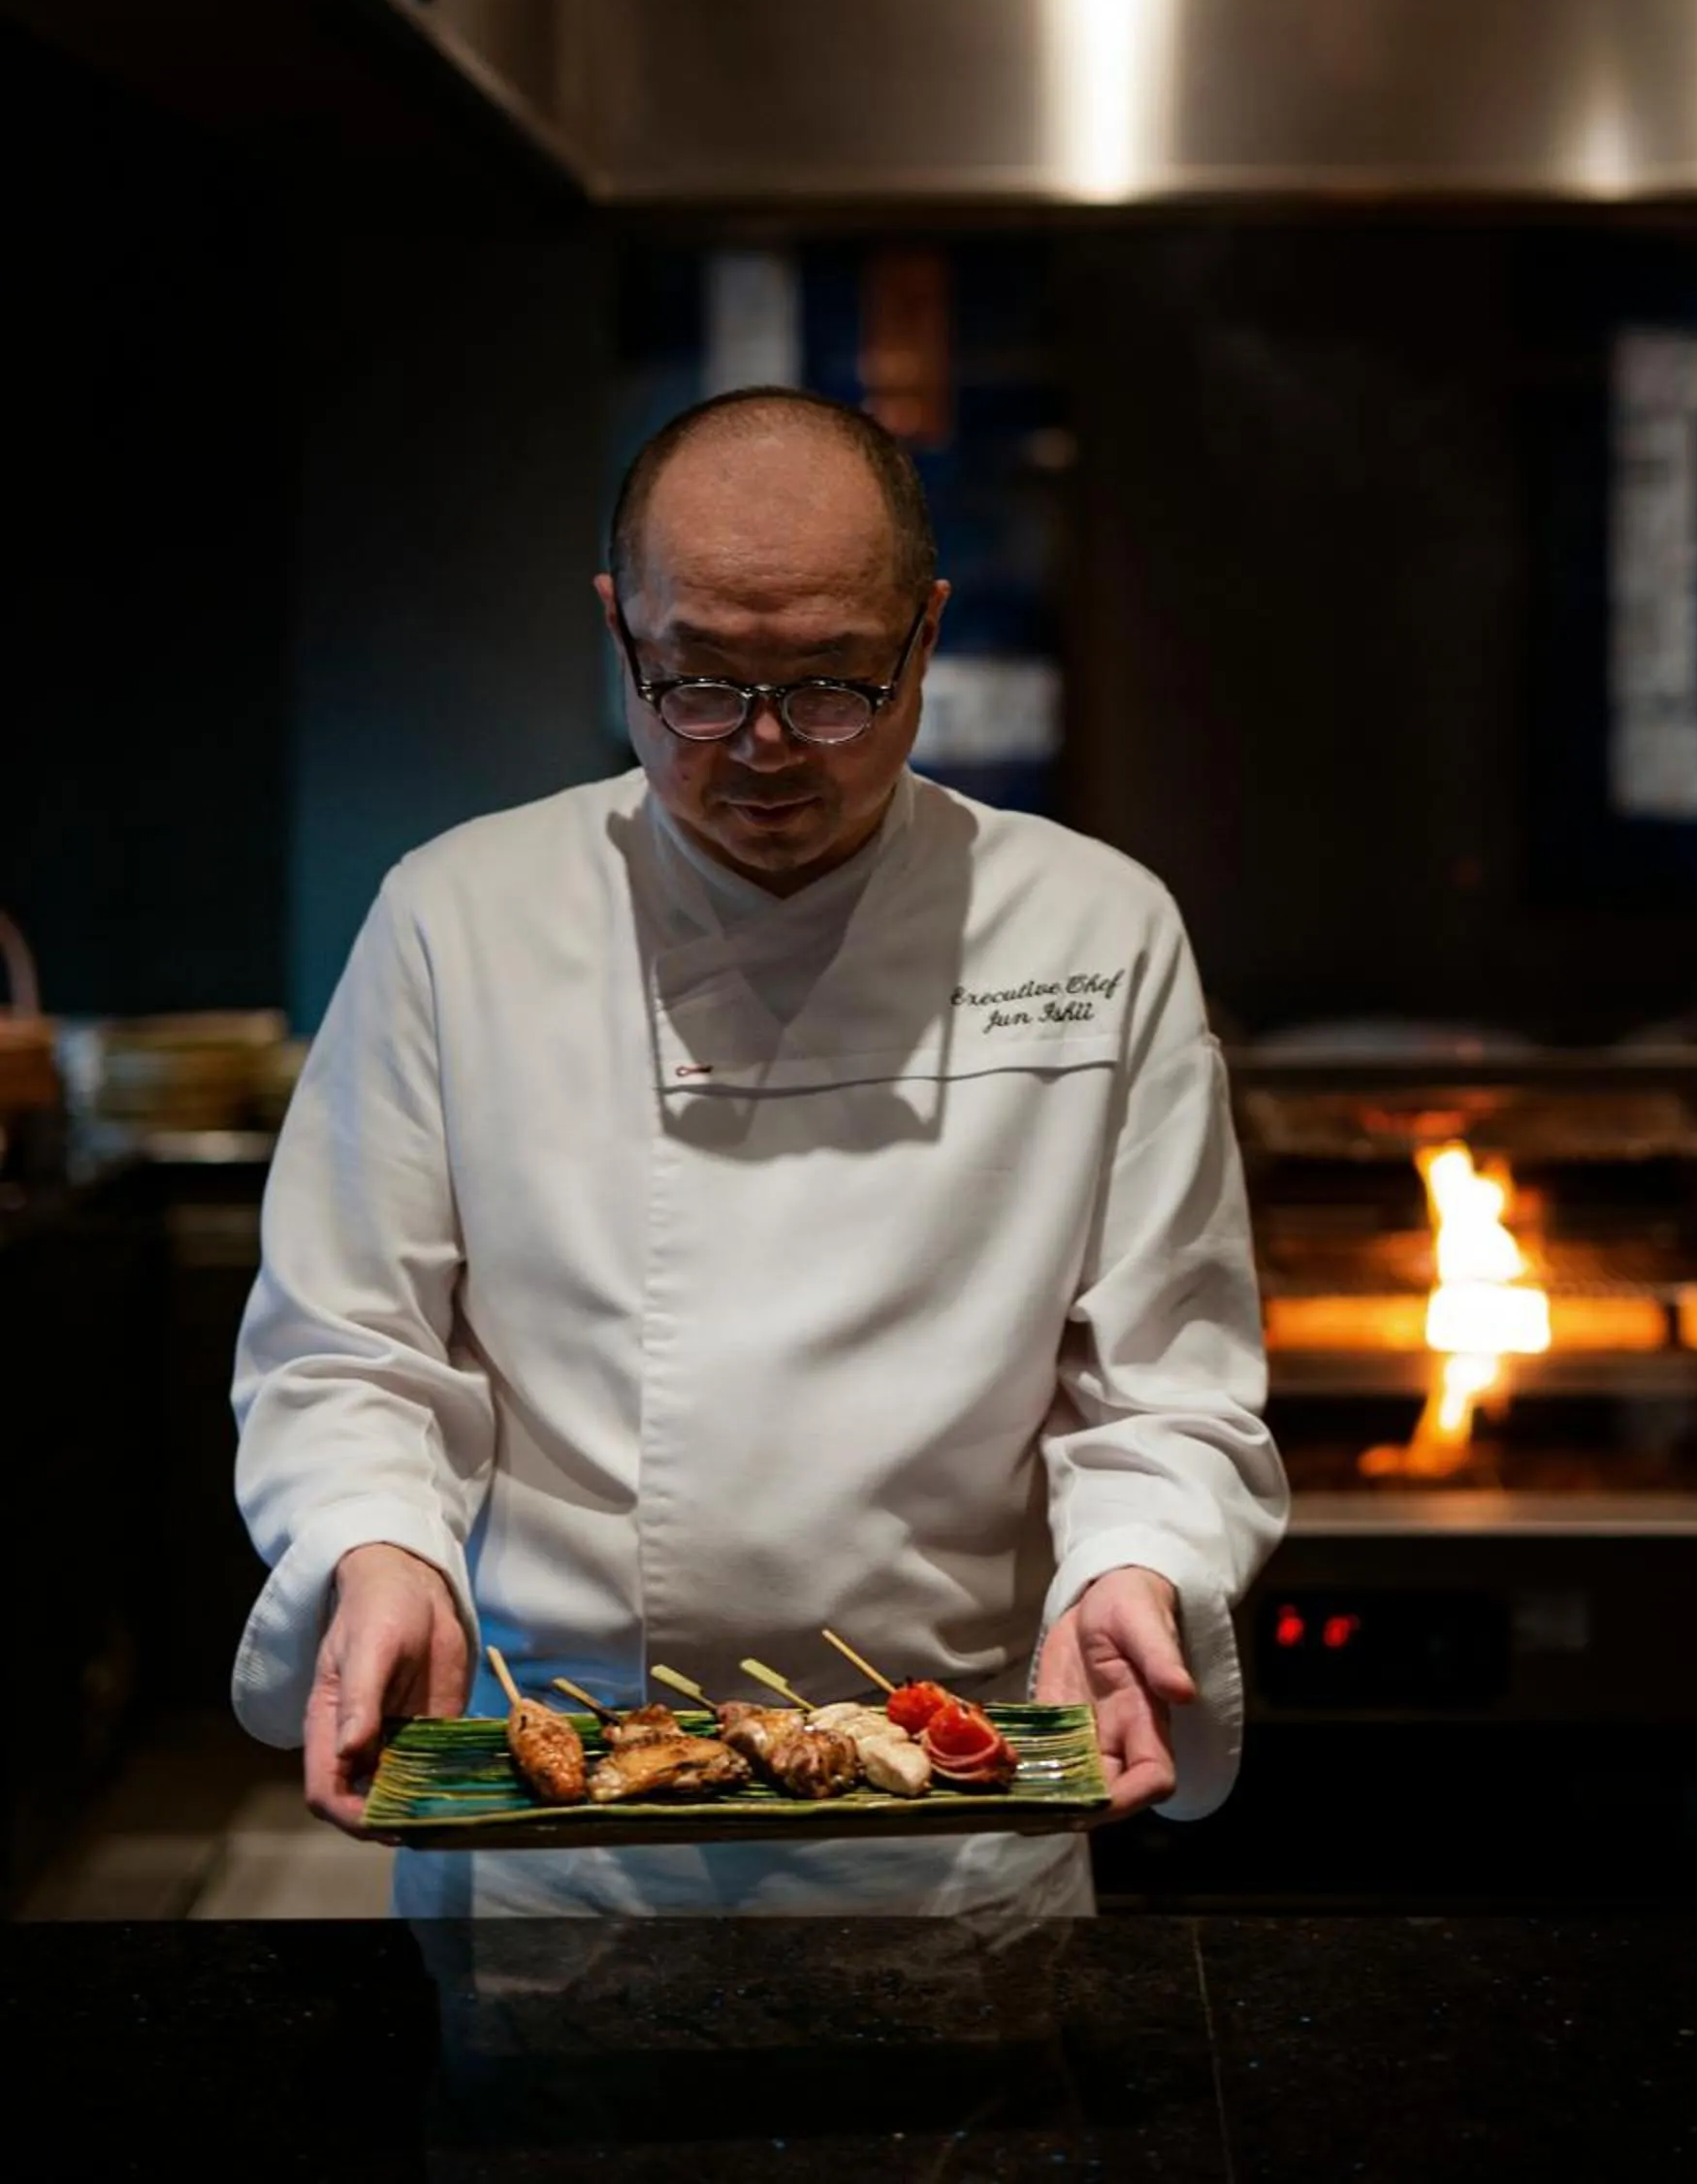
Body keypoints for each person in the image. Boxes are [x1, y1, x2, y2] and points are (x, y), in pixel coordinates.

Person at [233, 388, 1285, 1916]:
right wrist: (374, 1543)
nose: (767, 748)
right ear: (620, 632)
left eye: (833, 684)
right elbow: (347, 1345)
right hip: (559, 1813)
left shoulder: (1094, 928)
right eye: (700, 682)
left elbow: (1170, 1384)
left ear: (925, 632)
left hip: (956, 1800)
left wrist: (1136, 1569)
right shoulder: (457, 919)